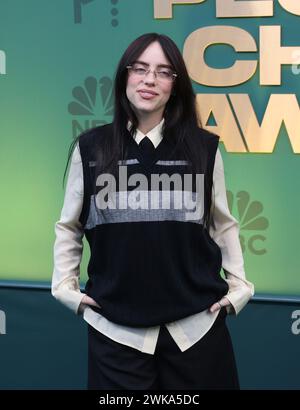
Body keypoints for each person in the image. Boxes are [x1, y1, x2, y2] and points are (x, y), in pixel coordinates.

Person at [52, 32, 254, 390]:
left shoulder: (204, 148)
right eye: (140, 68)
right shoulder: (91, 149)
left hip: (196, 329)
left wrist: (238, 287)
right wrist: (66, 290)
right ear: (124, 76)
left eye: (163, 72)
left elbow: (223, 225)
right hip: (116, 331)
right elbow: (70, 227)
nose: (150, 80)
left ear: (175, 85)